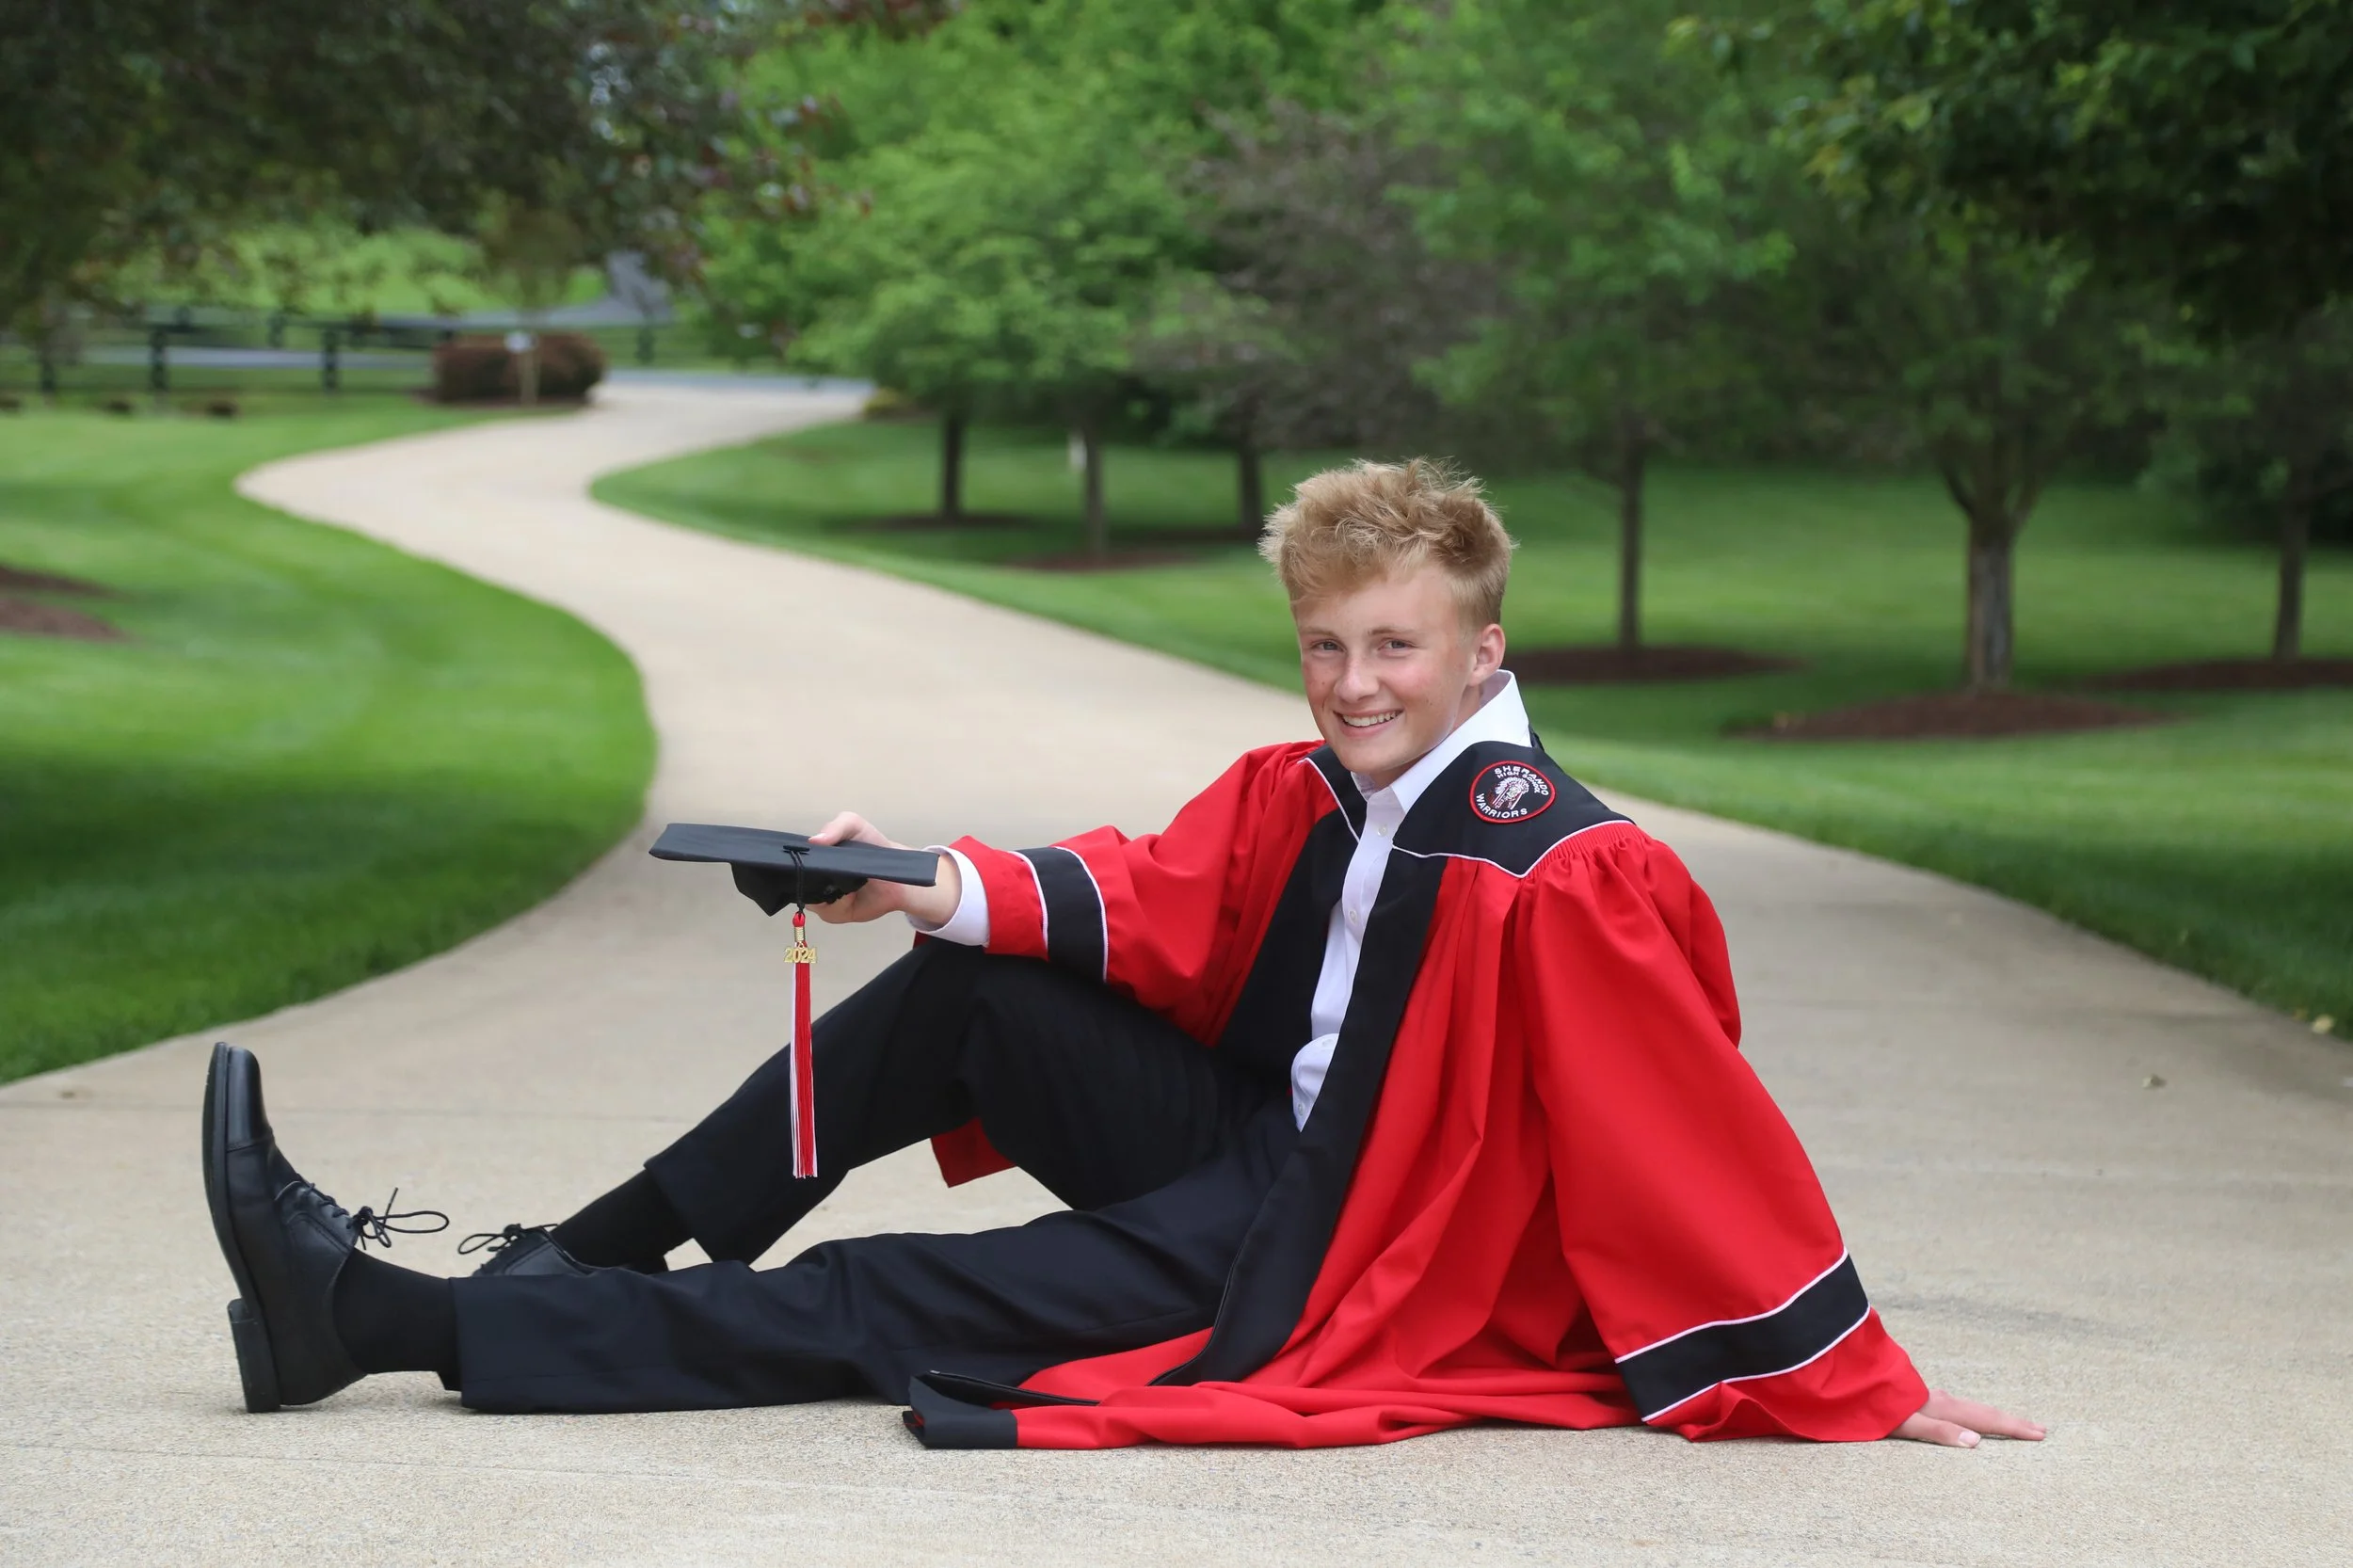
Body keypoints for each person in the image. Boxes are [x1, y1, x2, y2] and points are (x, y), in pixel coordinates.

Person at [203, 459, 2043, 1451]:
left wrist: (1848, 1365)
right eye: (1324, 644)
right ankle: (584, 1245)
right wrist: (905, 879)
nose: (1350, 684)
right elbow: (1145, 893)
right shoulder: (1312, 785)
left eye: (1393, 646)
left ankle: (390, 1317)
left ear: (1485, 649)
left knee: (895, 1302)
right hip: (1250, 1143)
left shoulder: (1557, 874)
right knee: (970, 987)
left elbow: (1687, 1133)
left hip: (1333, 1247)